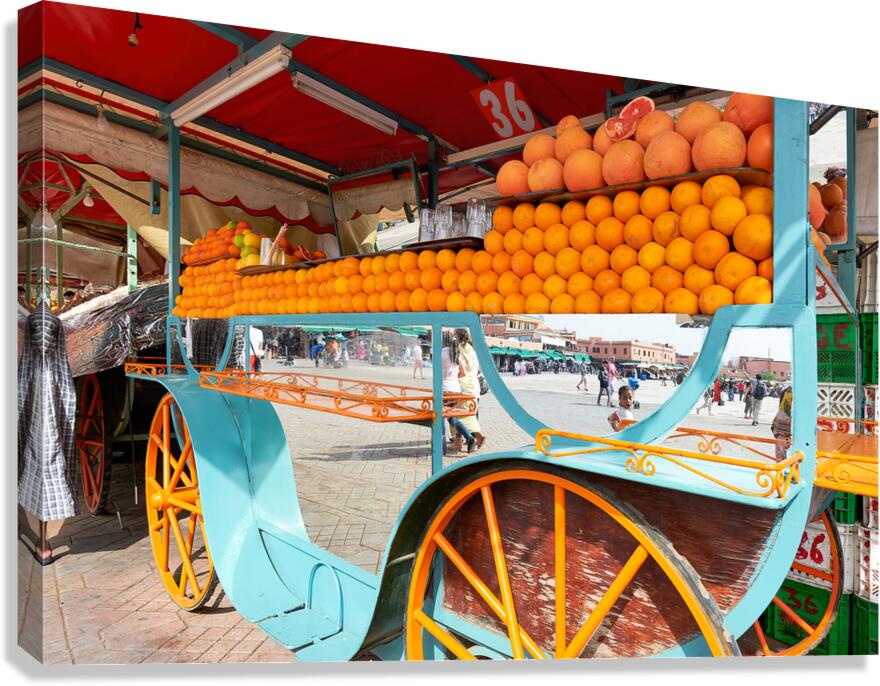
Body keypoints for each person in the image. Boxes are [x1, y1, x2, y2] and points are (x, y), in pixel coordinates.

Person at [18, 303, 79, 565]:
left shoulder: (35, 322)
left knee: (40, 458)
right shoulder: (44, 323)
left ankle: (42, 540)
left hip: (39, 388)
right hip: (47, 387)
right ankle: (43, 540)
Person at [440, 332, 476, 453]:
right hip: (455, 389)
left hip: (444, 389)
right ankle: (469, 437)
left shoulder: (443, 352)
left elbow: (437, 370)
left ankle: (442, 447)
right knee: (451, 418)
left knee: (440, 417)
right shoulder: (456, 353)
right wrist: (454, 377)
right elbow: (463, 373)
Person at [454, 328, 486, 449]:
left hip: (463, 385)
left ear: (458, 337)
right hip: (474, 384)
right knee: (471, 413)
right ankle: (461, 441)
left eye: (454, 335)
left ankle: (477, 436)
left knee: (458, 414)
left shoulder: (459, 349)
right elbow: (478, 369)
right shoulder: (472, 350)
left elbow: (460, 370)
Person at [771, 384, 793, 462]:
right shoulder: (793, 392)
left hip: (780, 424)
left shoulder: (787, 389)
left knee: (780, 454)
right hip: (786, 426)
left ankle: (779, 469)